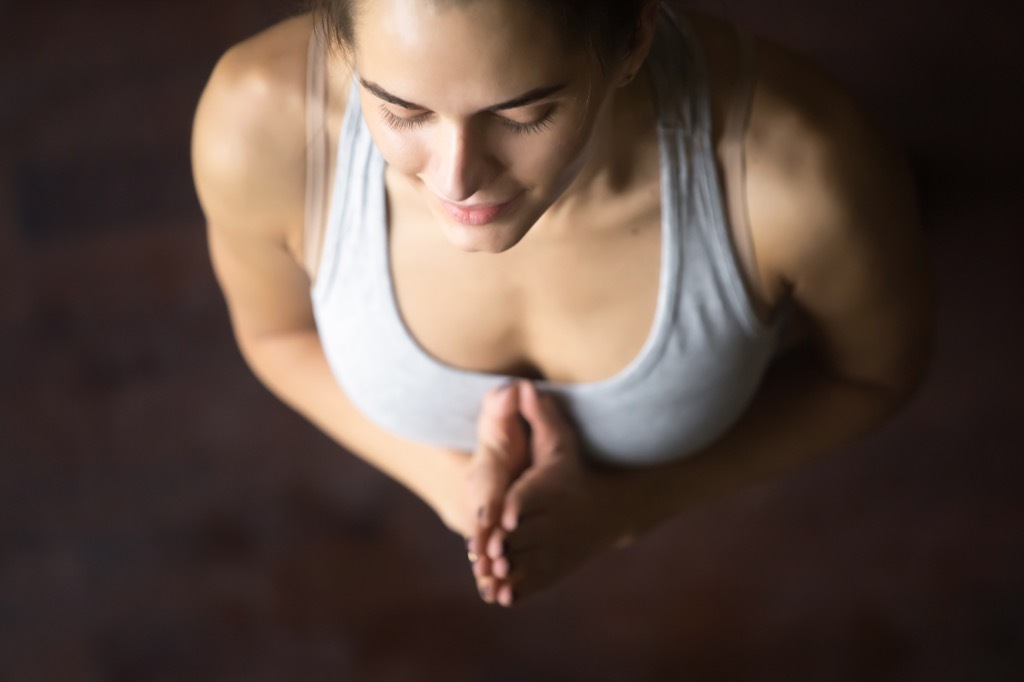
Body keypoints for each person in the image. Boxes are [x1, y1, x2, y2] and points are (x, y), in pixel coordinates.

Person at [190, 0, 932, 608]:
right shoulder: (258, 124)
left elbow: (873, 375)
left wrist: (627, 510)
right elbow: (276, 334)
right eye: (402, 111)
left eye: (523, 115)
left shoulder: (807, 176)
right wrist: (447, 484)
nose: (457, 179)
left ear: (633, 40)